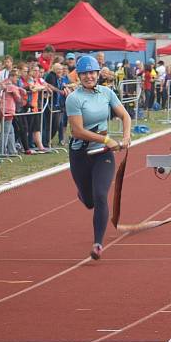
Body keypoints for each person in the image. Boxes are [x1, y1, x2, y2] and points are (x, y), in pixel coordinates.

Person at [65, 55, 131, 260]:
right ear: (79, 75)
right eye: (84, 73)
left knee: (101, 195)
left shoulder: (107, 93)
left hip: (103, 155)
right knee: (90, 201)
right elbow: (77, 131)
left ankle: (98, 244)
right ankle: (84, 195)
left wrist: (127, 135)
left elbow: (125, 115)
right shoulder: (74, 98)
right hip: (80, 155)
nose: (88, 76)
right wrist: (106, 140)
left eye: (92, 72)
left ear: (98, 73)